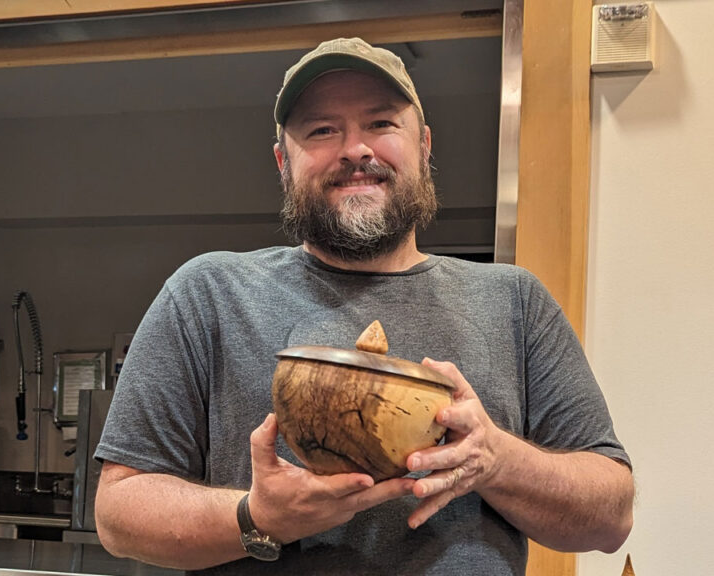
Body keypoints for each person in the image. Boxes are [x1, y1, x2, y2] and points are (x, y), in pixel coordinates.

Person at [94, 37, 634, 575]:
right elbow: (119, 513)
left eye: (380, 123)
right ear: (284, 162)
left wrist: (495, 459)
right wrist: (257, 517)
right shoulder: (207, 294)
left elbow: (611, 516)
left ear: (423, 146)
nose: (355, 149)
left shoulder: (516, 302)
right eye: (323, 130)